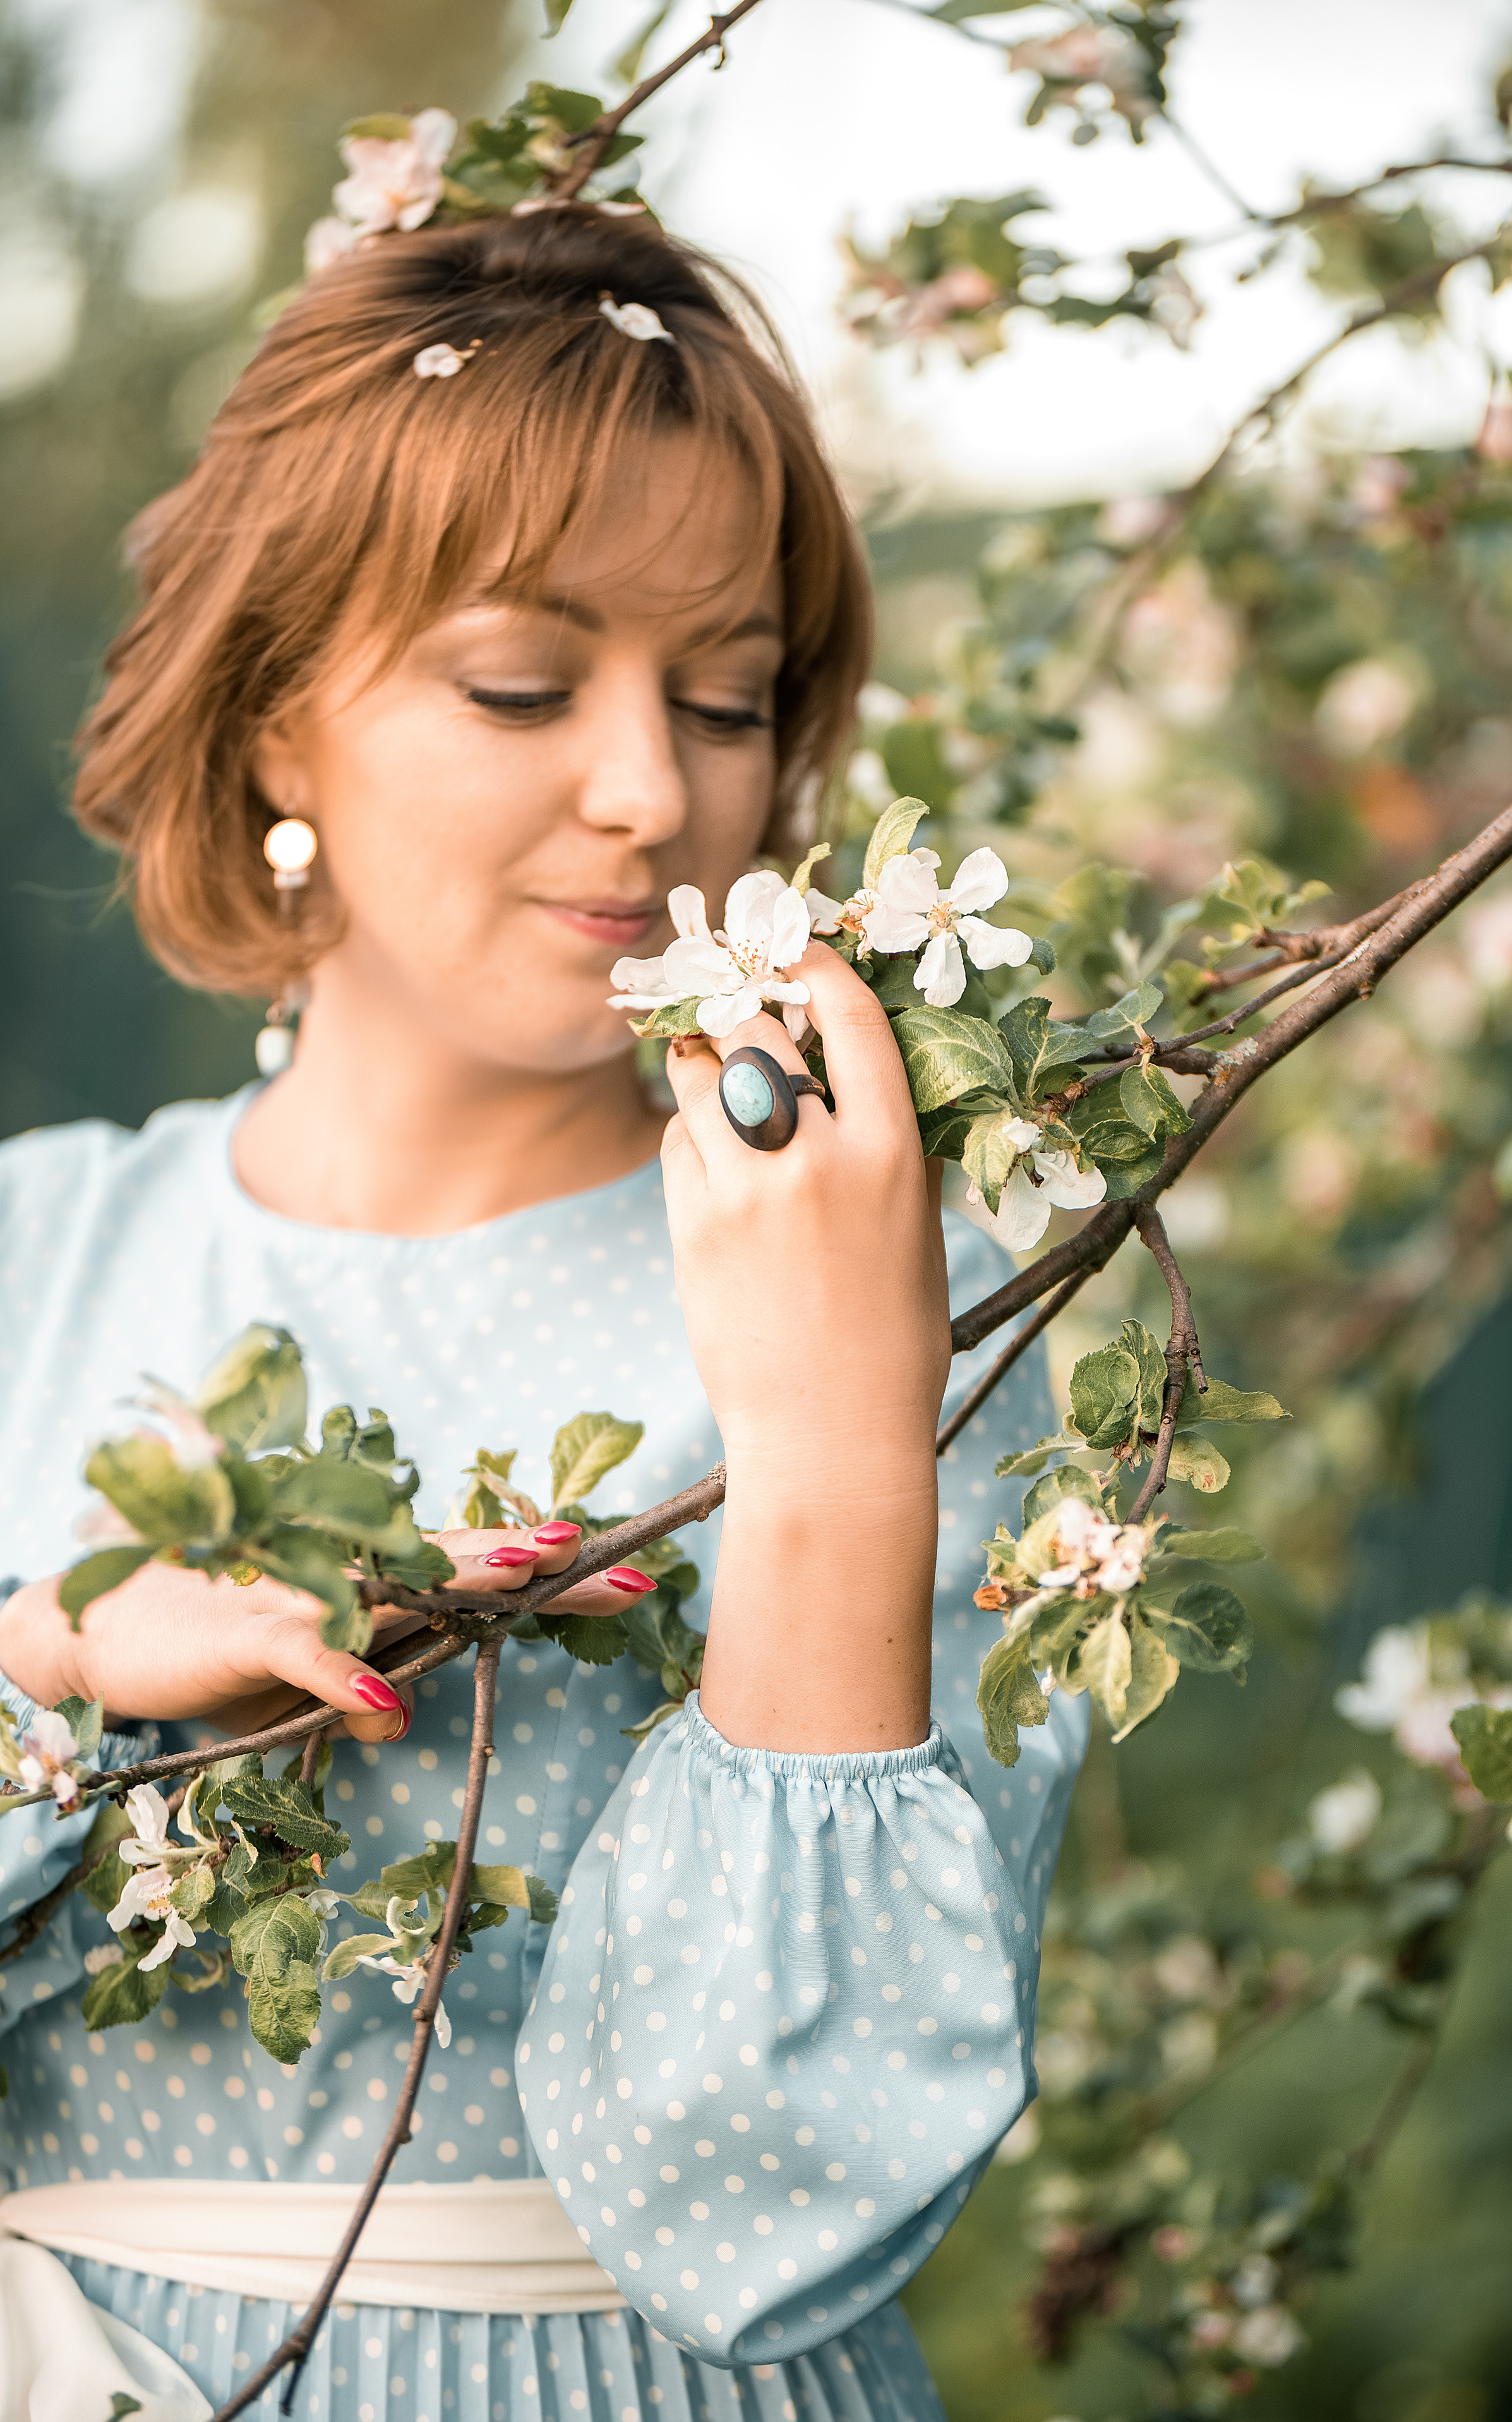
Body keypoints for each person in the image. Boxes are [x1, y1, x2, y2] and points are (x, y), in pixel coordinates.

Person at [0, 199, 1087, 2421]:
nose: (653, 790)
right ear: (279, 721)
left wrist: (831, 1452)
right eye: (521, 683)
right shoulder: (35, 1254)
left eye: (726, 698)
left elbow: (764, 2199)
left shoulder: (899, 1290)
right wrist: (56, 1667)